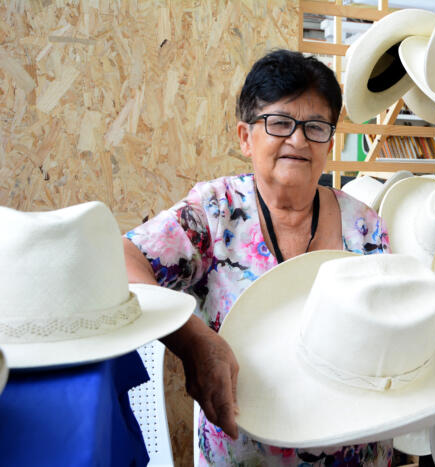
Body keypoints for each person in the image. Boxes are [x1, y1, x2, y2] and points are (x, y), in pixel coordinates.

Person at [123, 49, 393, 466]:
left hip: (356, 450)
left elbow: (386, 327)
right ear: (246, 138)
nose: (299, 140)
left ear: (329, 140)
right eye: (280, 123)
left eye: (315, 126)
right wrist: (192, 340)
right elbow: (121, 260)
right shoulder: (216, 212)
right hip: (246, 453)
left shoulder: (365, 226)